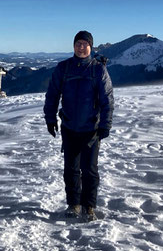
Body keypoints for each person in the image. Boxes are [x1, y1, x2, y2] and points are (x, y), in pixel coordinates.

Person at [43, 30, 114, 221]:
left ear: (91, 47)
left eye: (85, 44)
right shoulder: (64, 68)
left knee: (90, 170)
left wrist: (105, 125)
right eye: (78, 44)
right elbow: (52, 95)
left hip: (91, 129)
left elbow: (107, 99)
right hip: (69, 127)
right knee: (71, 169)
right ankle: (73, 204)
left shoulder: (98, 70)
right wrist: (50, 119)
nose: (81, 47)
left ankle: (88, 206)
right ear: (73, 46)